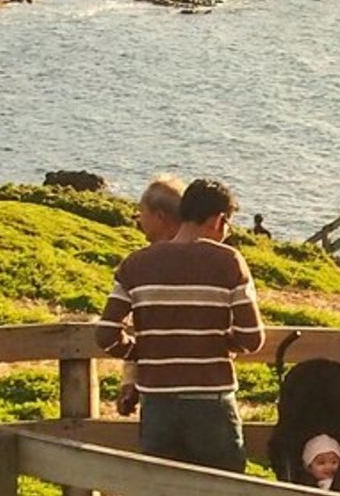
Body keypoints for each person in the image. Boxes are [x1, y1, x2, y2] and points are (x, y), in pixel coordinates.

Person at [94, 177, 266, 472]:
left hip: (157, 404)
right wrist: (221, 341)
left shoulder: (135, 264)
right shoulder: (229, 261)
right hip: (211, 400)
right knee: (223, 488)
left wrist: (142, 351)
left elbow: (106, 334)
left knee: (163, 487)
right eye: (228, 223)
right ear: (218, 219)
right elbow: (252, 339)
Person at [108, 175, 184, 416]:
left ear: (160, 216)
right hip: (210, 390)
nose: (138, 221)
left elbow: (110, 332)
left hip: (157, 390)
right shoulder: (214, 261)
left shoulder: (137, 265)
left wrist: (140, 357)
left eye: (142, 213)